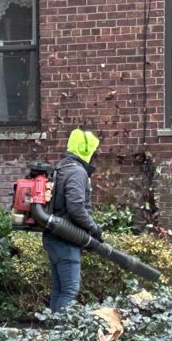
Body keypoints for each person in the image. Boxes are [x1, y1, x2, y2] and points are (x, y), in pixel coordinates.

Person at [43, 128, 103, 312]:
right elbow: (76, 208)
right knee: (70, 289)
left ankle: (53, 331)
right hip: (66, 238)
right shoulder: (77, 172)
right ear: (86, 149)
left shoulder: (60, 167)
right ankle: (60, 336)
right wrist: (94, 229)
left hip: (54, 235)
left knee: (59, 288)